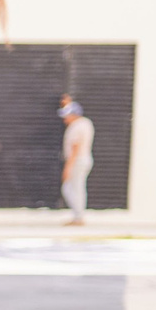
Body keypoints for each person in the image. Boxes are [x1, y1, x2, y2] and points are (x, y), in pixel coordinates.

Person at [59, 96, 94, 226]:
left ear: (74, 115)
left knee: (70, 188)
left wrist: (68, 167)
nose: (65, 119)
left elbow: (75, 148)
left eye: (67, 115)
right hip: (84, 160)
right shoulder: (86, 123)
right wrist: (68, 103)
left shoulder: (76, 127)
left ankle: (78, 217)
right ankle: (78, 216)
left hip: (77, 161)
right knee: (78, 188)